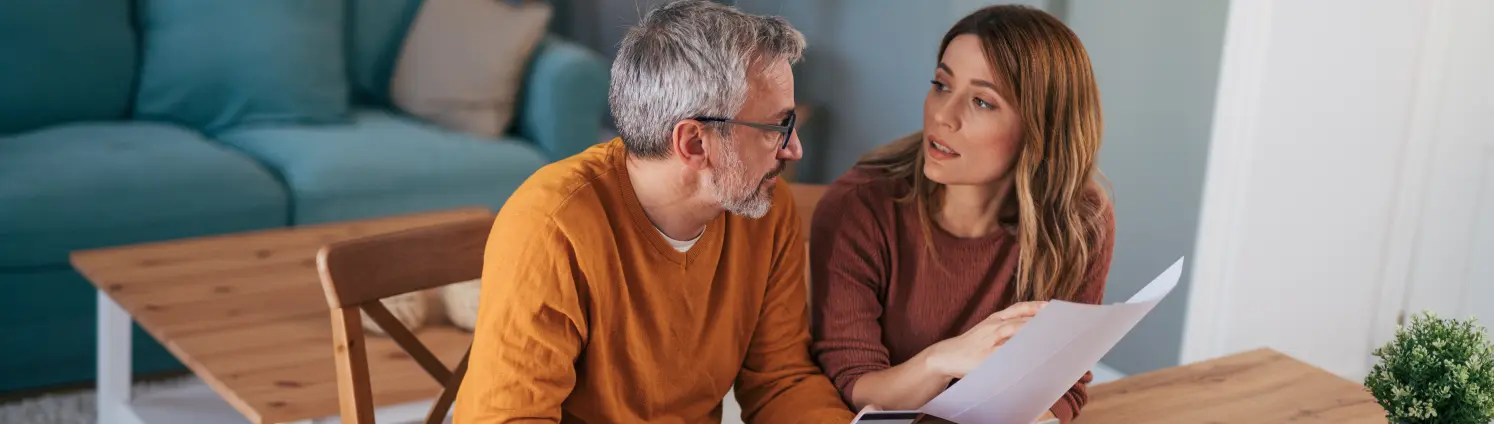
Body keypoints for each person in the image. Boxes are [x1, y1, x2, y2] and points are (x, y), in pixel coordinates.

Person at [452, 1, 856, 423]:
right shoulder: (551, 228)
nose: (794, 149)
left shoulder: (765, 210)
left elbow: (781, 380)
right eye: (778, 128)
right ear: (695, 144)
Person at [808, 5, 1115, 424]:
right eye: (941, 84)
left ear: (1040, 128)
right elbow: (854, 385)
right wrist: (943, 361)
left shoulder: (1079, 221)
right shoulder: (859, 209)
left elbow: (1064, 383)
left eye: (982, 102)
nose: (942, 115)